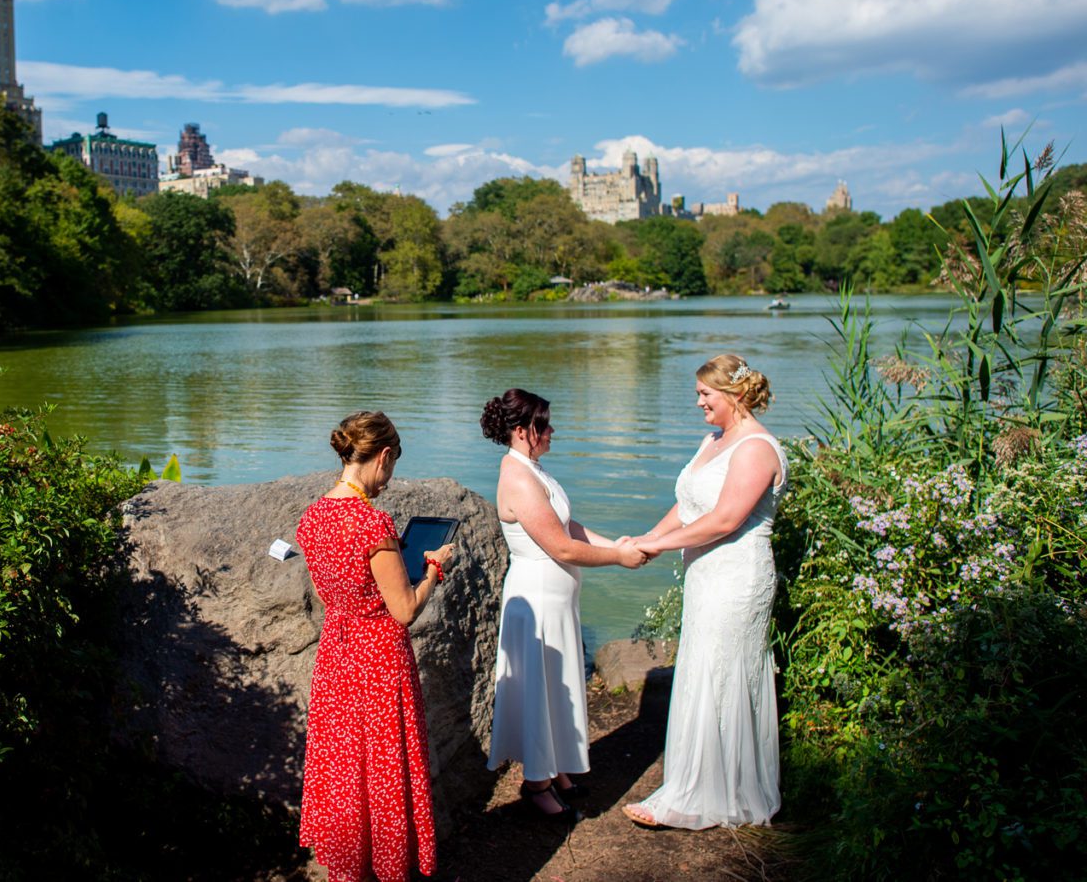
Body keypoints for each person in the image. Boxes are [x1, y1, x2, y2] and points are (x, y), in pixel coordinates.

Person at [621, 355, 788, 830]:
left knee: (725, 673)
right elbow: (689, 505)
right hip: (705, 575)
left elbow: (724, 520)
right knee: (701, 670)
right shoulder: (714, 441)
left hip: (737, 576)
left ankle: (714, 794)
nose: (698, 404)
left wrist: (656, 544)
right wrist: (646, 540)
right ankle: (698, 784)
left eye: (705, 395)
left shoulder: (756, 448)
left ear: (733, 397)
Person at [298, 411, 456, 882]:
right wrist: (432, 569)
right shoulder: (370, 523)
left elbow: (345, 589)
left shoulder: (313, 517)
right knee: (384, 765)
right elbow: (404, 609)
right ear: (382, 456)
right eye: (392, 466)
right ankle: (387, 864)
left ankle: (350, 864)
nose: (390, 479)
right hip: (379, 656)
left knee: (346, 766)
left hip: (337, 652)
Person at [480, 389, 648, 818]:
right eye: (545, 425)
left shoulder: (533, 468)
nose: (552, 431)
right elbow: (563, 548)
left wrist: (619, 544)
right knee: (542, 686)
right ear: (522, 431)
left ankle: (554, 769)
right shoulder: (517, 477)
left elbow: (568, 525)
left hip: (556, 599)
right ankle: (535, 783)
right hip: (536, 600)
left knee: (559, 686)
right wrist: (618, 558)